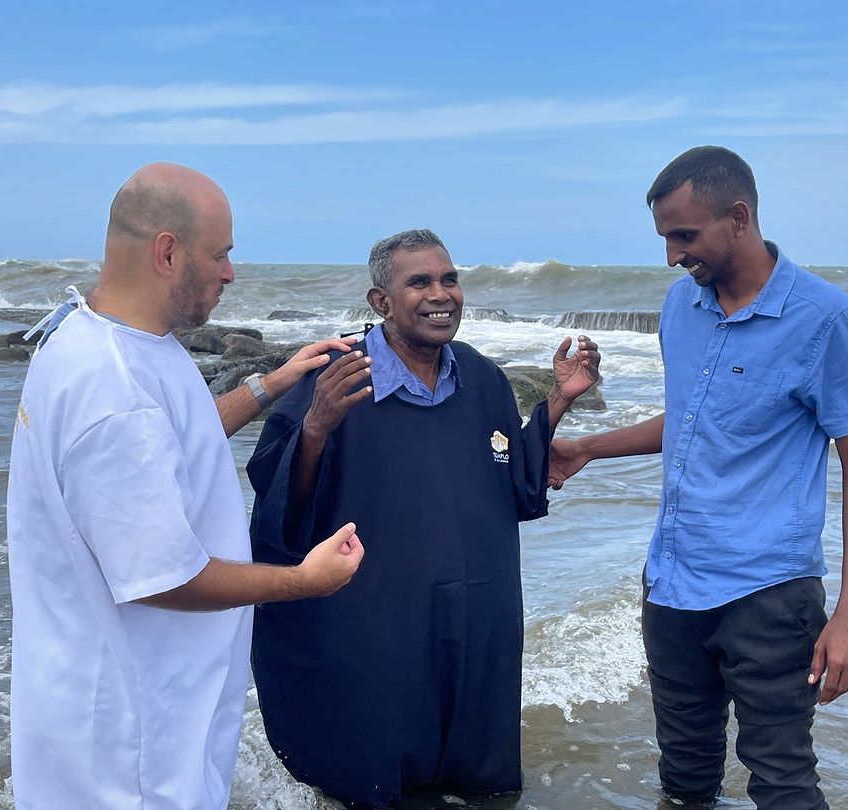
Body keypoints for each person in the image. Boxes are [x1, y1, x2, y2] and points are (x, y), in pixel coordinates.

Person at [6, 162, 365, 810]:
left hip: (97, 705)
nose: (231, 273)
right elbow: (166, 577)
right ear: (168, 253)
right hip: (133, 751)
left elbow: (169, 443)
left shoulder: (94, 334)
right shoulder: (113, 394)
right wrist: (300, 582)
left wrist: (272, 383)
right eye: (221, 255)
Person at [551, 146, 848, 809]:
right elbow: (691, 419)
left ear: (738, 216)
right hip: (673, 586)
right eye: (665, 239)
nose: (674, 256)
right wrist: (589, 447)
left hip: (769, 597)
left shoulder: (823, 317)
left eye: (685, 235)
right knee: (684, 783)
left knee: (782, 781)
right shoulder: (682, 308)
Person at [246, 228, 601, 807]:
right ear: (380, 302)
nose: (442, 294)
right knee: (378, 773)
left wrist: (557, 403)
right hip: (380, 614)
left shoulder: (481, 375)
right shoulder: (336, 378)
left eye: (450, 279)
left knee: (478, 776)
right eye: (420, 282)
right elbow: (280, 510)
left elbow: (512, 482)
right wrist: (316, 426)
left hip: (476, 610)